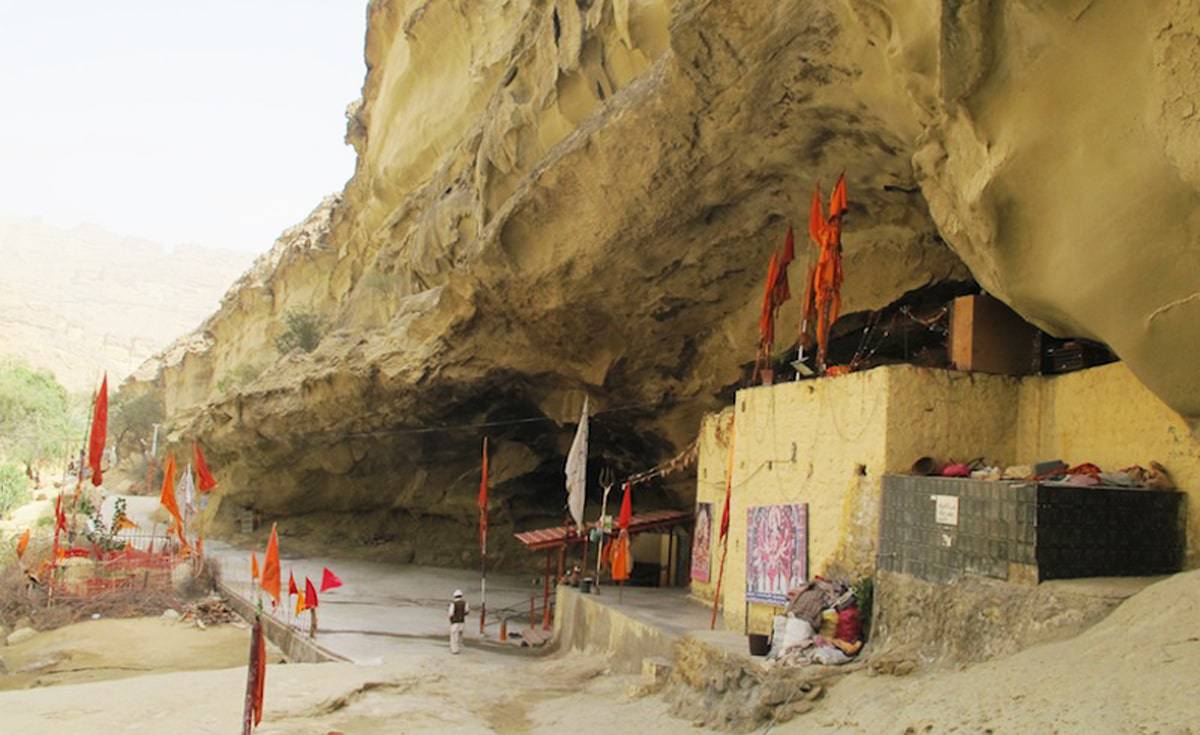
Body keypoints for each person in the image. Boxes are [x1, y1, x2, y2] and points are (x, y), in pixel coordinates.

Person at [448, 589, 468, 654]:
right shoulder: (465, 603)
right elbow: (466, 612)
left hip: (455, 622)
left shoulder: (453, 603)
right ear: (461, 596)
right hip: (462, 622)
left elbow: (451, 614)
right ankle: (459, 648)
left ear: (454, 596)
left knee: (454, 636)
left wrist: (451, 620)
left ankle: (454, 650)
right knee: (460, 636)